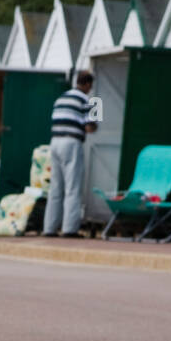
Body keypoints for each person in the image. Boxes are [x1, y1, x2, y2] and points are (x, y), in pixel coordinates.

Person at [43, 70, 97, 238]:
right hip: (72, 143)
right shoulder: (89, 100)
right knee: (73, 188)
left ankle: (49, 228)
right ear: (88, 84)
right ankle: (69, 229)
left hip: (55, 142)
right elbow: (90, 128)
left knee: (55, 188)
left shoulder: (61, 98)